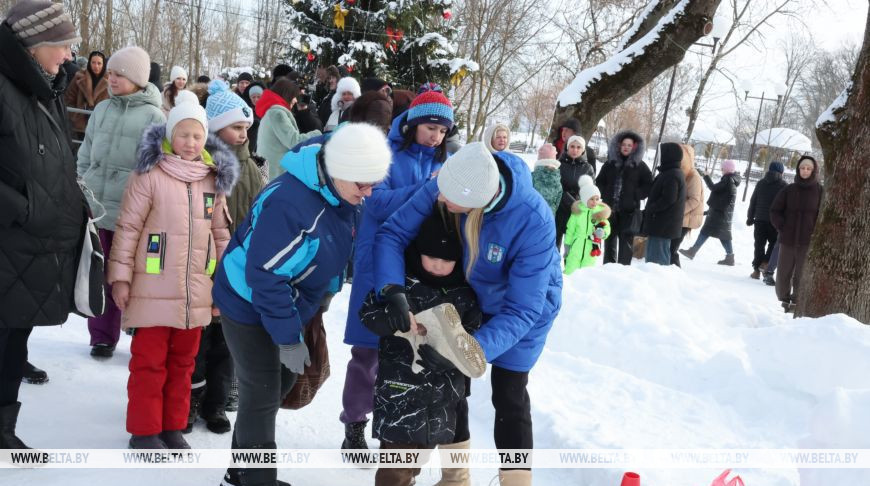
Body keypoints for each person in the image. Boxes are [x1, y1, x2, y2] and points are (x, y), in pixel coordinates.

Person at [211, 123, 392, 486]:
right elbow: (264, 277)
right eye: (363, 184)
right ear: (340, 171)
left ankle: (239, 472)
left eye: (375, 182)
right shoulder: (291, 204)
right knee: (262, 392)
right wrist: (289, 338)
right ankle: (256, 480)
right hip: (246, 300)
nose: (370, 192)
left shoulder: (344, 191)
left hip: (293, 302)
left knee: (279, 384)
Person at [373, 142, 562, 486]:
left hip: (521, 311)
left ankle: (516, 481)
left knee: (510, 395)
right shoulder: (454, 180)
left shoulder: (533, 220)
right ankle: (456, 477)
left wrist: (470, 351)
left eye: (449, 198)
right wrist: (392, 290)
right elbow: (393, 233)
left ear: (478, 201)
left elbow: (523, 308)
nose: (440, 200)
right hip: (470, 297)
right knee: (453, 385)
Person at [107, 99, 237, 449]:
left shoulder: (213, 180)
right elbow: (129, 227)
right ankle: (144, 430)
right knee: (149, 362)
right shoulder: (149, 175)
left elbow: (221, 234)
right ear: (170, 135)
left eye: (197, 135)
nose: (191, 142)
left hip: (196, 290)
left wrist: (224, 286)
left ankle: (172, 426)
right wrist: (121, 277)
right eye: (183, 134)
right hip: (152, 284)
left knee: (183, 365)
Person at [341, 85, 454, 450]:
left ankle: (393, 423)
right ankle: (355, 421)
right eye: (430, 127)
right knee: (368, 352)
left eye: (442, 130)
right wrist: (425, 189)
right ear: (413, 125)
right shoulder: (385, 155)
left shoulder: (443, 161)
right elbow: (374, 203)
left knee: (403, 355)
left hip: (417, 267)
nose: (435, 135)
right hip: (378, 261)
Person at [0, 0, 85, 449]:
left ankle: (4, 430)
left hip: (28, 246)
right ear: (34, 45)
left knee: (14, 339)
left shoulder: (43, 86)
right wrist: (22, 207)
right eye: (63, 46)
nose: (70, 56)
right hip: (10, 238)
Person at [360, 207, 483, 486]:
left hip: (441, 399)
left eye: (446, 259)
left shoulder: (465, 295)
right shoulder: (399, 286)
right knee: (395, 468)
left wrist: (456, 353)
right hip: (399, 393)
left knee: (421, 455)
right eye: (431, 257)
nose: (438, 265)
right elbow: (367, 314)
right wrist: (393, 320)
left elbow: (475, 333)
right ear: (417, 253)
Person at [77, 45, 166, 359]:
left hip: (128, 213)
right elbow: (86, 152)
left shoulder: (154, 116)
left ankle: (136, 332)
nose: (111, 79)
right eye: (110, 73)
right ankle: (101, 336)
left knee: (124, 276)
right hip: (95, 206)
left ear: (137, 79)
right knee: (97, 274)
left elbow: (154, 167)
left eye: (118, 74)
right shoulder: (102, 109)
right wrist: (82, 180)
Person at [185, 84, 264, 435]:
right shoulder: (202, 164)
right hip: (204, 262)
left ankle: (216, 404)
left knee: (228, 341)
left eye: (246, 127)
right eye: (236, 127)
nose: (243, 133)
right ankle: (190, 401)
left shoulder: (252, 168)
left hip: (239, 265)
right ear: (215, 128)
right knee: (198, 340)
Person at [769, 156, 823, 313]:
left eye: (808, 168)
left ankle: (797, 301)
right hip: (788, 239)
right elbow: (775, 211)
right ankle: (784, 299)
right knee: (783, 273)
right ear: (798, 169)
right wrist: (782, 227)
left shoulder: (820, 191)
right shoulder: (788, 189)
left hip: (807, 241)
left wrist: (815, 232)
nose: (805, 171)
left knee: (801, 273)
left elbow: (822, 215)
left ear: (814, 171)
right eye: (802, 168)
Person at [595, 130, 652, 265]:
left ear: (634, 147)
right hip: (610, 210)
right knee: (609, 241)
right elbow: (599, 181)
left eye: (629, 145)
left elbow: (648, 185)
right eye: (624, 144)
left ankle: (623, 270)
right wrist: (604, 193)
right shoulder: (610, 163)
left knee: (626, 244)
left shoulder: (640, 166)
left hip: (629, 212)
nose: (626, 147)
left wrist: (635, 195)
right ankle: (608, 267)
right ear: (619, 146)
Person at [256, 78, 322, 180]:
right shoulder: (277, 114)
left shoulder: (271, 112)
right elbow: (294, 141)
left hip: (270, 172)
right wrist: (317, 134)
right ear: (287, 95)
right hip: (276, 175)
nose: (295, 100)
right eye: (294, 96)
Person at [678, 159, 741, 265]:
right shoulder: (731, 180)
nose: (721, 170)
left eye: (722, 168)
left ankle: (693, 251)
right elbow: (722, 196)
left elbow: (713, 188)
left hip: (720, 214)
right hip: (721, 214)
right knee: (719, 235)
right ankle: (729, 257)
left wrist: (706, 176)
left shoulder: (728, 180)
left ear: (727, 169)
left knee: (713, 234)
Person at [642, 143, 686, 265]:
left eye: (662, 154)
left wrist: (651, 209)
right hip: (661, 225)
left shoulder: (672, 175)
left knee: (657, 261)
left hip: (662, 226)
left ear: (668, 156)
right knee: (654, 258)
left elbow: (668, 199)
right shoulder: (670, 172)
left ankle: (657, 283)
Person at [747, 161, 787, 279]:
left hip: (759, 219)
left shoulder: (760, 183)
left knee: (759, 244)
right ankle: (765, 263)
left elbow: (753, 201)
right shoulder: (784, 185)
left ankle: (756, 271)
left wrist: (750, 217)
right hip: (775, 221)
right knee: (773, 244)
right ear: (781, 172)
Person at [564, 176, 611, 273]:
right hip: (576, 246)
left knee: (587, 271)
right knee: (571, 269)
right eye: (591, 199)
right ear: (585, 199)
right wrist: (567, 245)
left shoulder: (599, 213)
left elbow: (606, 227)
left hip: (591, 248)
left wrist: (603, 233)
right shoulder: (577, 212)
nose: (595, 202)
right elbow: (570, 230)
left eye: (597, 199)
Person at [556, 135, 595, 250]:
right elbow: (557, 187)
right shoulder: (559, 165)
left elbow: (590, 191)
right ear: (567, 148)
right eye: (572, 146)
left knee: (573, 248)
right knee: (554, 245)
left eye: (578, 147)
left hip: (578, 211)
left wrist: (578, 203)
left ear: (583, 150)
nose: (575, 150)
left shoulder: (588, 168)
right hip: (560, 209)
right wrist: (569, 200)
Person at [670, 144, 704, 267]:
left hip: (685, 218)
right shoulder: (682, 172)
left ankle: (676, 274)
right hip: (680, 218)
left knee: (672, 249)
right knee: (670, 248)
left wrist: (677, 211)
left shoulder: (693, 176)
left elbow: (694, 200)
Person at [64, 50, 108, 140]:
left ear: (103, 65)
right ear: (89, 63)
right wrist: (75, 116)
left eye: (99, 63)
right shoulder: (79, 77)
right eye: (93, 62)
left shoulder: (110, 82)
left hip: (100, 128)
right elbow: (68, 99)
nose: (96, 66)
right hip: (80, 127)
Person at [532, 143, 562, 215]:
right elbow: (558, 200)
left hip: (533, 213)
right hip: (549, 215)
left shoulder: (532, 177)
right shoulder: (557, 179)